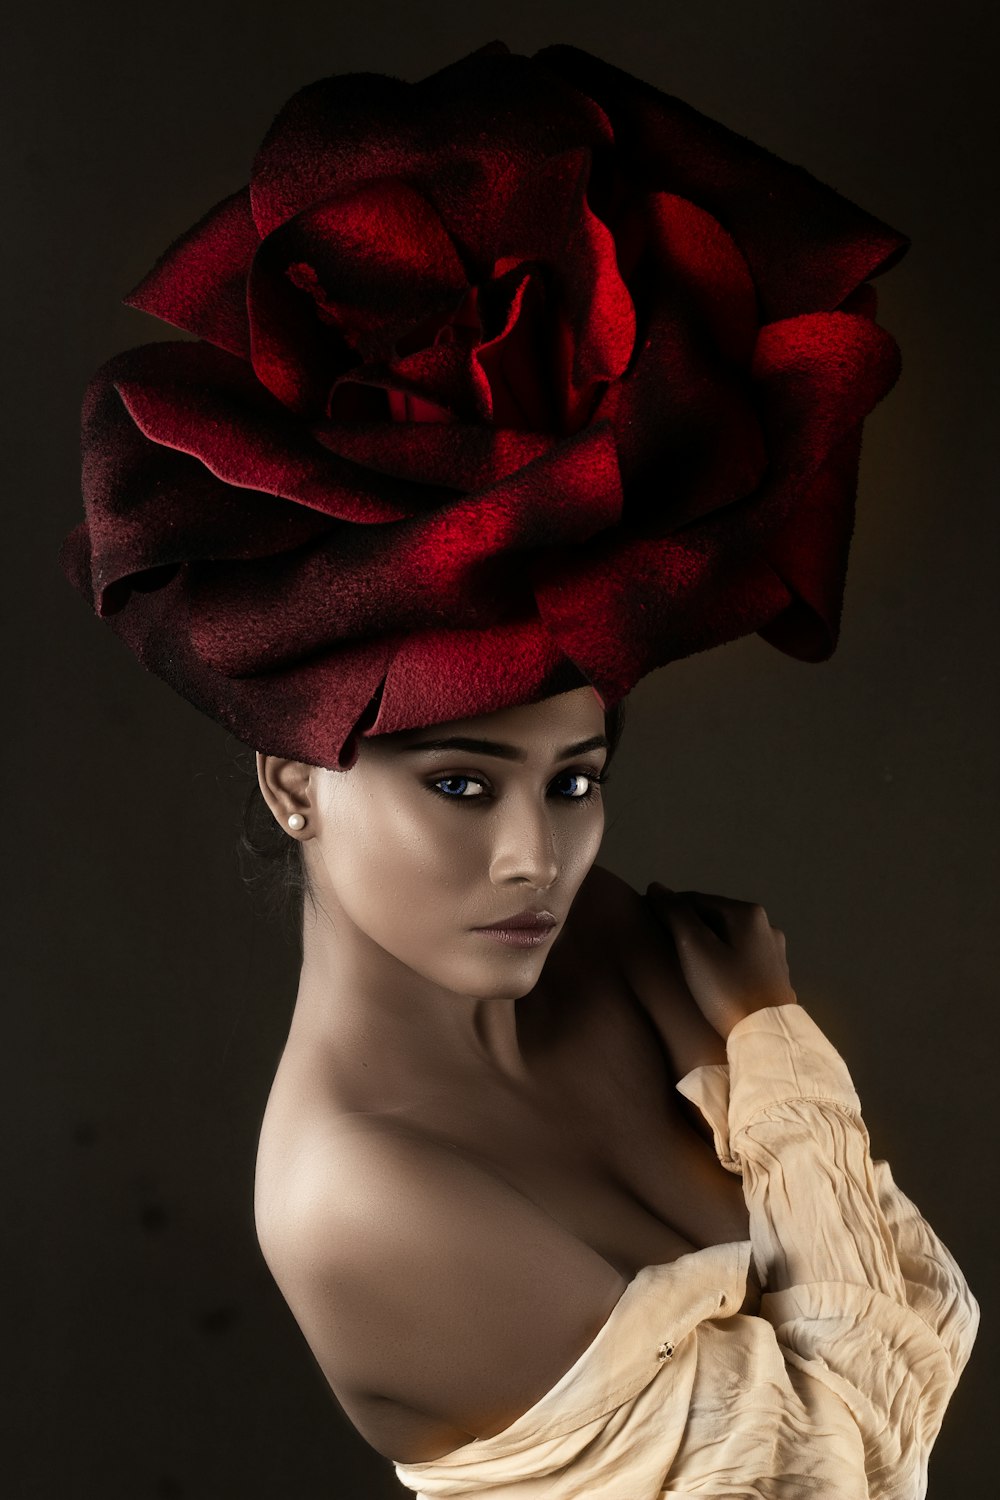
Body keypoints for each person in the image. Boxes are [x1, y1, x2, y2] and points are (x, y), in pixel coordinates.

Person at [60, 41, 978, 1498]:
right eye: (463, 786)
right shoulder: (356, 1201)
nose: (534, 857)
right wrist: (780, 1051)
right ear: (291, 781)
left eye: (577, 778)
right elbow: (849, 1462)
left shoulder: (591, 943)